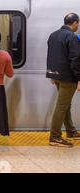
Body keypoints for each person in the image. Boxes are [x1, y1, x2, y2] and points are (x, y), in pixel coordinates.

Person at [46, 13, 80, 147]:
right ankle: (55, 136)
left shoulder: (53, 35)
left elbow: (51, 55)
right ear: (75, 23)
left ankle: (70, 131)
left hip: (57, 75)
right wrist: (79, 78)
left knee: (65, 104)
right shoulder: (71, 36)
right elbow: (75, 59)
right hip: (68, 77)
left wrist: (52, 74)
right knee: (62, 106)